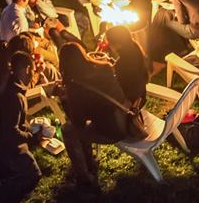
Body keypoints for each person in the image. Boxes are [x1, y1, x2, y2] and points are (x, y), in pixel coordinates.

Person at [60, 42, 141, 187]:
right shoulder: (105, 67)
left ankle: (84, 178)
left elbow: (78, 122)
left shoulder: (75, 87)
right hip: (126, 119)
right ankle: (90, 162)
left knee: (68, 130)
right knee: (83, 127)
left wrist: (65, 98)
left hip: (113, 131)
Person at [0, 52, 43, 201]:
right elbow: (11, 132)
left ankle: (2, 171)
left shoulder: (11, 83)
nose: (34, 74)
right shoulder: (13, 96)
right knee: (33, 175)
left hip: (1, 139)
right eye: (34, 70)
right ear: (27, 69)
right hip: (7, 146)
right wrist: (32, 137)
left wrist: (30, 128)